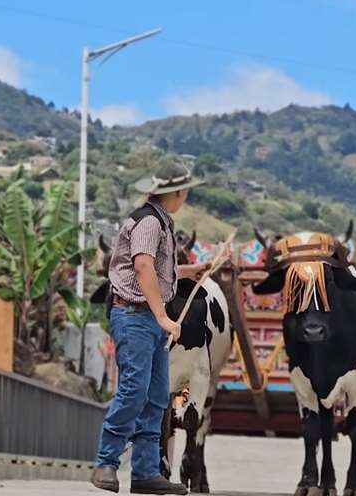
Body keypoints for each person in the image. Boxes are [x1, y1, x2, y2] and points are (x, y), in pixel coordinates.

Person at [92, 163, 211, 495]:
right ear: (174, 193)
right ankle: (106, 462)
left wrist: (191, 271)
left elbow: (158, 269)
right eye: (184, 191)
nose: (185, 197)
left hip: (147, 321)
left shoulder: (160, 221)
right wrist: (162, 316)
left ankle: (145, 472)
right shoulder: (148, 222)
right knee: (134, 389)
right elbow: (142, 264)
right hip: (135, 317)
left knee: (156, 396)